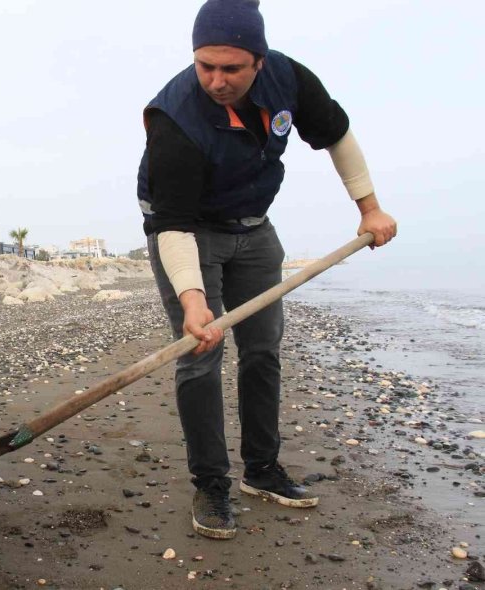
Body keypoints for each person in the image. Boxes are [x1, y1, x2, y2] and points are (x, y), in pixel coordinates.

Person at [136, 0, 396, 540]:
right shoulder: (175, 120)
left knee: (262, 348)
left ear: (259, 60)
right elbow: (174, 226)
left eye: (231, 68)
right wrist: (193, 302)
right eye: (205, 65)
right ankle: (211, 483)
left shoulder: (289, 78)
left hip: (254, 226)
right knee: (200, 356)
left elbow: (336, 136)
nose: (216, 80)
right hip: (186, 232)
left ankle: (262, 468)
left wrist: (369, 208)